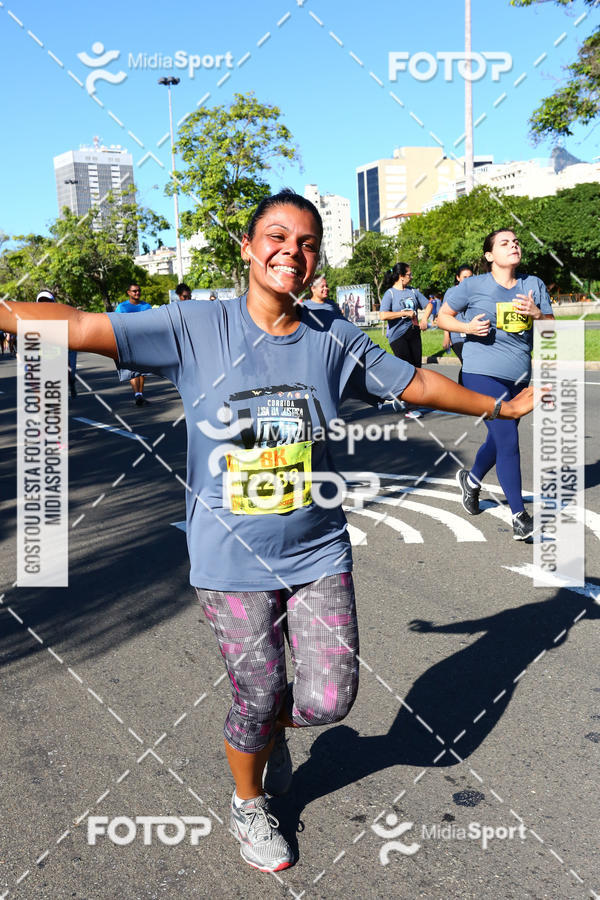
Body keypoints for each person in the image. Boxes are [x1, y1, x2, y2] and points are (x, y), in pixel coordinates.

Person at [0, 191, 540, 872]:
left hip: (317, 551)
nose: (292, 250)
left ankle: (268, 729)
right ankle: (248, 801)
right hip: (229, 558)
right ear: (250, 249)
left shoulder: (332, 337)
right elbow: (73, 326)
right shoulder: (195, 326)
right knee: (256, 692)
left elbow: (417, 387)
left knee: (328, 699)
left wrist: (501, 404)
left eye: (308, 241)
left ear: (317, 260)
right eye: (277, 237)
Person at [436, 229, 554, 541]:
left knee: (499, 438)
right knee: (507, 436)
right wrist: (467, 327)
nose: (513, 245)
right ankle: (519, 516)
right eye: (505, 243)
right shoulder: (473, 286)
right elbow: (442, 318)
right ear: (490, 256)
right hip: (480, 372)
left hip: (518, 376)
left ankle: (472, 481)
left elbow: (551, 331)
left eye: (516, 242)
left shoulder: (534, 285)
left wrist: (537, 314)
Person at [379, 263, 433, 418]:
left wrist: (424, 319)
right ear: (401, 276)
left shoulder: (413, 291)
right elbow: (383, 315)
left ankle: (400, 396)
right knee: (407, 369)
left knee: (417, 368)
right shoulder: (390, 294)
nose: (411, 277)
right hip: (398, 336)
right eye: (409, 274)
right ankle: (410, 406)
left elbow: (429, 305)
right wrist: (403, 313)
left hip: (414, 333)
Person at [114, 283, 152, 405]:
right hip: (128, 341)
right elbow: (116, 323)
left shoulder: (146, 306)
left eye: (139, 291)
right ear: (129, 293)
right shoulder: (122, 307)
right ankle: (137, 394)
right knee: (132, 369)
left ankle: (140, 394)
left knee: (142, 370)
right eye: (134, 291)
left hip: (144, 341)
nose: (137, 293)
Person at [35, 290, 78, 398]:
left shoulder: (62, 313)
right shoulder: (33, 317)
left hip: (67, 346)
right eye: (41, 301)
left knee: (70, 372)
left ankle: (71, 382)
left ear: (53, 302)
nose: (44, 304)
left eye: (47, 301)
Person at [441, 265, 474, 385]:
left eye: (470, 277)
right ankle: (462, 391)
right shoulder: (451, 292)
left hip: (472, 334)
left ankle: (464, 391)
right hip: (456, 335)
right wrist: (446, 336)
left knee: (470, 365)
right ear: (458, 278)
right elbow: (443, 315)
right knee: (468, 363)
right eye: (464, 277)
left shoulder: (475, 291)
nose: (468, 280)